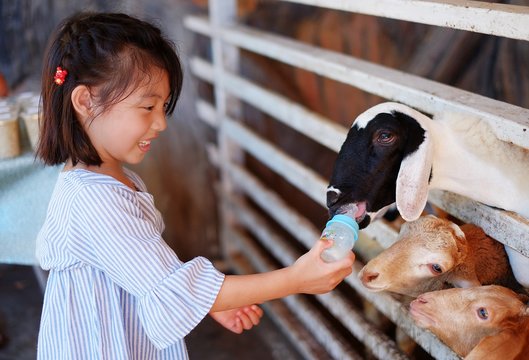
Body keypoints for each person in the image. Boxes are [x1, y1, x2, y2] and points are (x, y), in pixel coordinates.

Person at [35, 12, 355, 359]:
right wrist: (296, 279)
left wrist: (208, 299)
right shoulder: (93, 199)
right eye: (147, 106)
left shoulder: (106, 179)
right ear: (85, 101)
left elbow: (147, 270)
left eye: (163, 106)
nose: (160, 123)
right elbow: (170, 289)